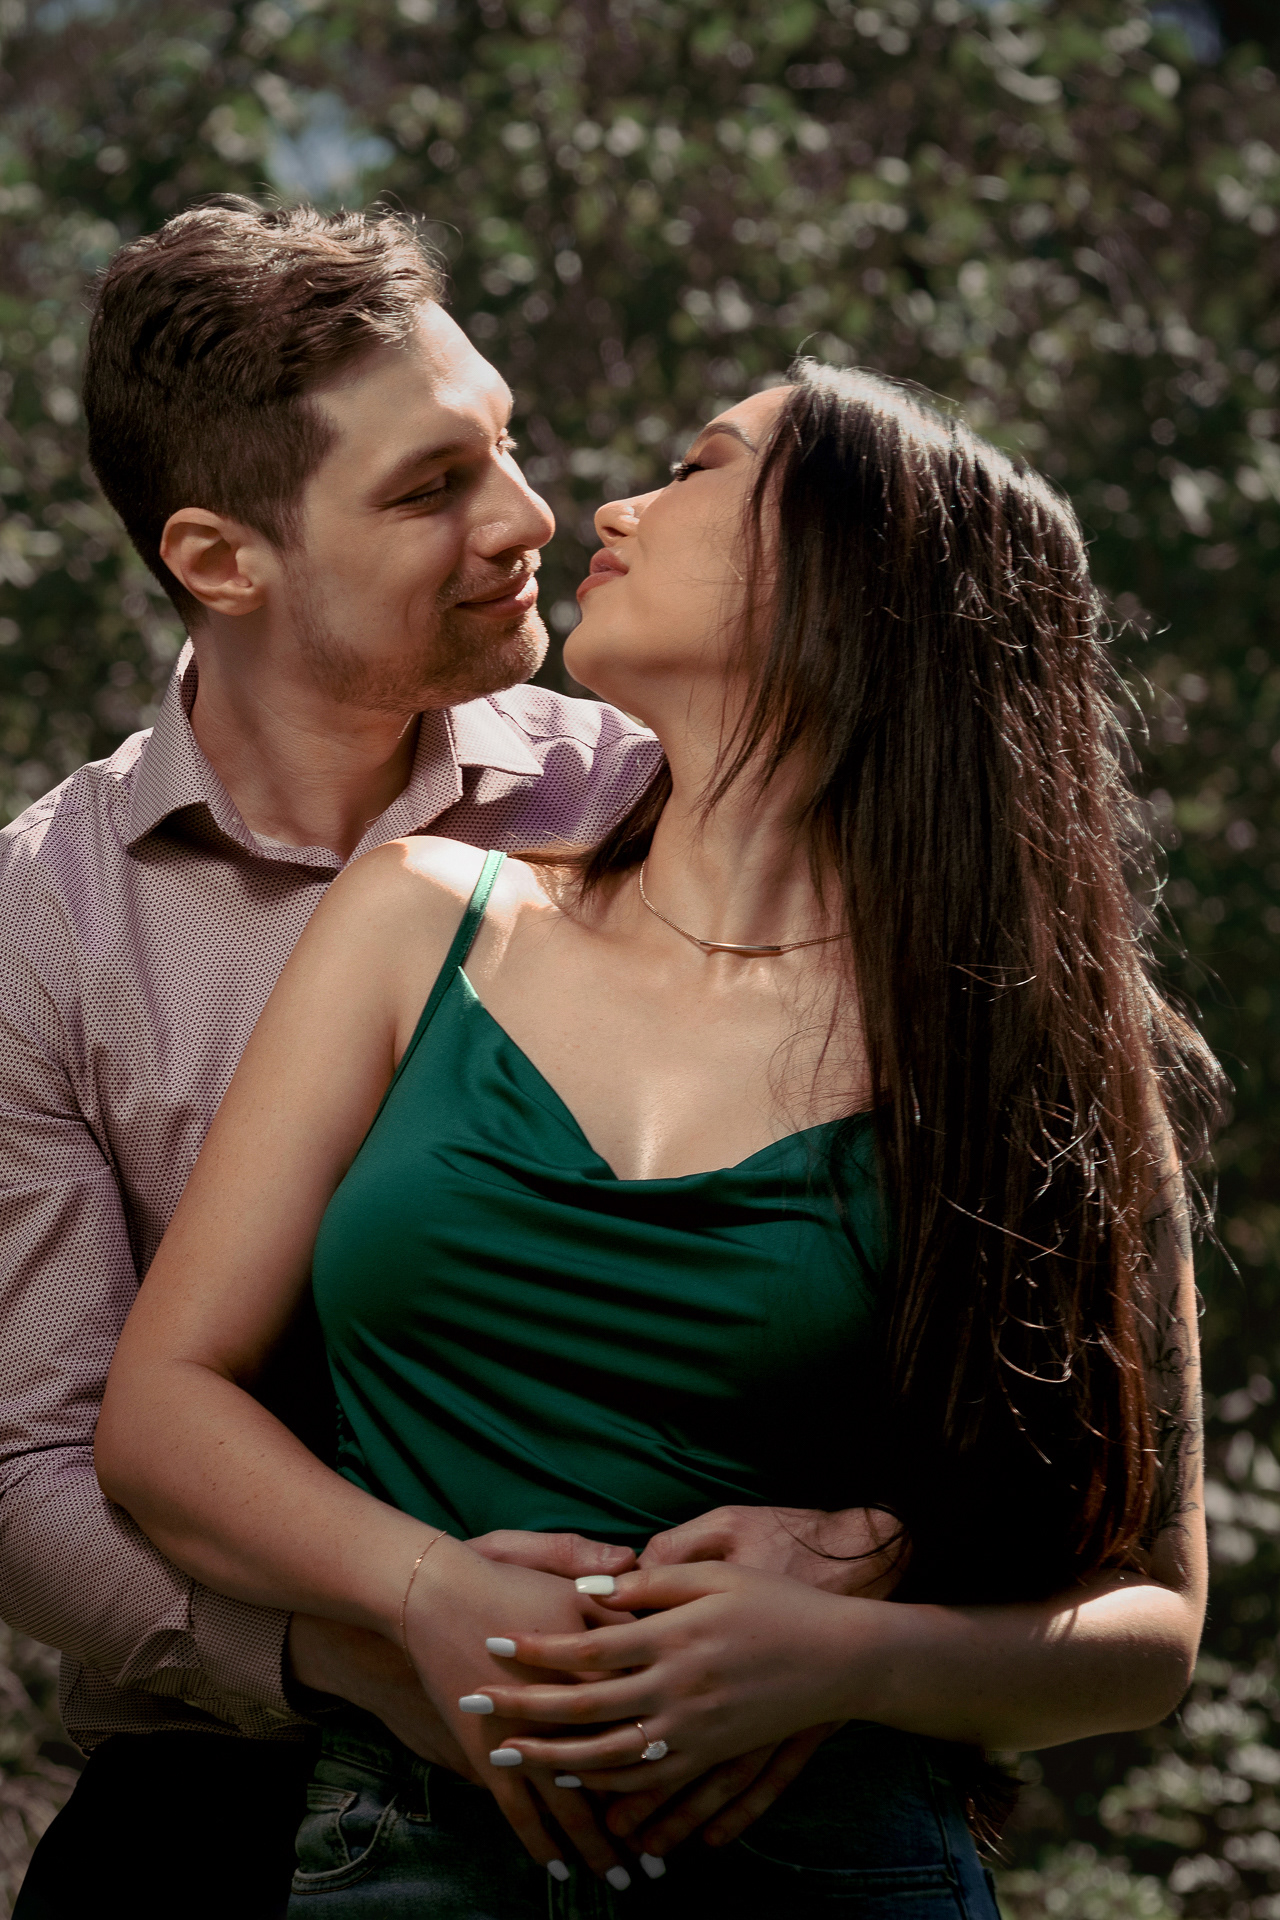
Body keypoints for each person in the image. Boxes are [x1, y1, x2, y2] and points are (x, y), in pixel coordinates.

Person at [96, 360, 1222, 1916]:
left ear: (859, 578)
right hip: (403, 1856)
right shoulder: (420, 920)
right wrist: (421, 1592)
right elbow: (157, 1419)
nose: (609, 507)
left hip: (842, 1866)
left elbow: (1151, 1623)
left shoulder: (1042, 1060)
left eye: (699, 470)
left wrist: (848, 1654)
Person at [0, 201, 880, 1920]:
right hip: (224, 1789)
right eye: (428, 491)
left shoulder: (664, 774)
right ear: (220, 557)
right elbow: (26, 1463)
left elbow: (962, 1233)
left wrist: (878, 1547)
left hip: (693, 1758)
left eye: (503, 444)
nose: (529, 519)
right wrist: (360, 1655)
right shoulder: (45, 923)